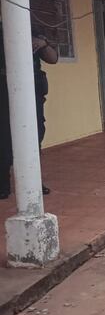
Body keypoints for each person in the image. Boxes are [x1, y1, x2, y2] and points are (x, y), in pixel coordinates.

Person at [0, 21, 57, 199]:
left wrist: (43, 44)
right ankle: (3, 182)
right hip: (4, 90)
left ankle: (33, 180)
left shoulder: (31, 28)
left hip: (32, 91)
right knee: (3, 137)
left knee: (35, 135)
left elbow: (53, 58)